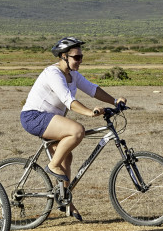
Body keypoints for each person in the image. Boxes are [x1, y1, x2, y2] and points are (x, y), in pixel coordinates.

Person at [20, 37, 126, 221]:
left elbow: (93, 89)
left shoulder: (73, 75)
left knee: (67, 157)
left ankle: (64, 199)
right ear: (63, 56)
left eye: (81, 57)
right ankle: (52, 166)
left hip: (52, 119)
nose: (80, 60)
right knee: (77, 131)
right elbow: (67, 100)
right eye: (76, 57)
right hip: (34, 117)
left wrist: (115, 100)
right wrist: (89, 112)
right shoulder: (53, 73)